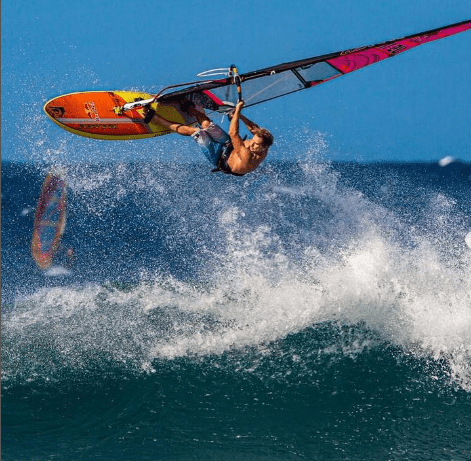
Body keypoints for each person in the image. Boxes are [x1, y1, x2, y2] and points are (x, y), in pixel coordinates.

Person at [148, 100, 273, 176]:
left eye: (256, 144)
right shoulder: (264, 141)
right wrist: (240, 117)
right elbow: (254, 128)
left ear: (264, 147)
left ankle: (156, 119)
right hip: (228, 145)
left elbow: (233, 133)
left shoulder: (248, 157)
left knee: (197, 132)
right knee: (207, 125)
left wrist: (238, 110)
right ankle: (188, 107)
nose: (251, 144)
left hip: (218, 156)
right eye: (253, 140)